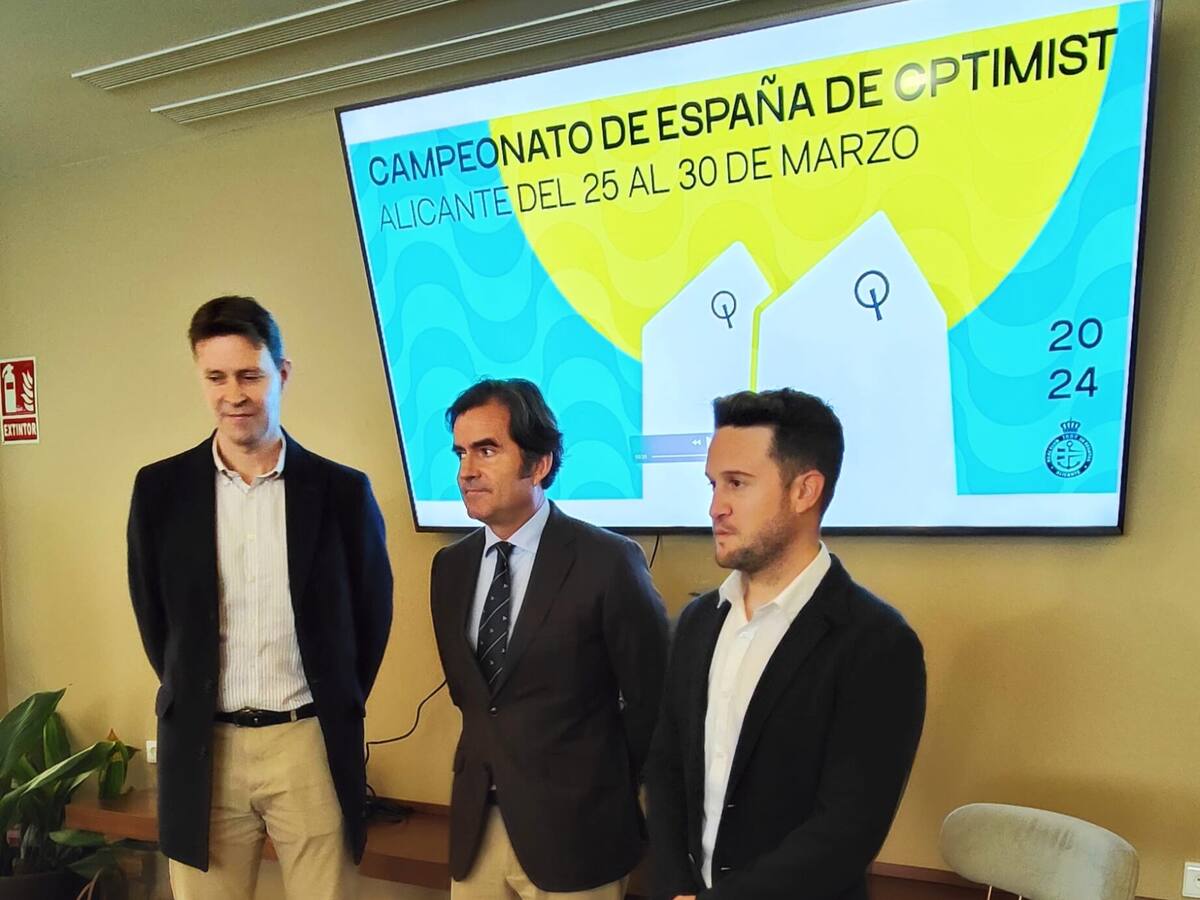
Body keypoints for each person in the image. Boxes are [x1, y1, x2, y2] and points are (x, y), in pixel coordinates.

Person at [127, 296, 393, 899]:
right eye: (216, 377)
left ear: (282, 372)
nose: (234, 395)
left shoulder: (342, 492)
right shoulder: (160, 491)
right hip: (205, 747)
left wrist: (337, 699)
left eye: (249, 375)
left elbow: (371, 617)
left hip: (308, 743)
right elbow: (155, 619)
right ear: (200, 378)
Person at [646, 388, 926, 900]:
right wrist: (670, 887)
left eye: (737, 483)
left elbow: (848, 829)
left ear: (805, 491)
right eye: (713, 484)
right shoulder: (696, 623)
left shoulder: (877, 643)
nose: (715, 507)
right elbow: (665, 769)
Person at [430, 378, 668, 899]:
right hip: (477, 826)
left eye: (486, 450)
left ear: (539, 464)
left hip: (579, 831)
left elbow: (655, 701)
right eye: (461, 453)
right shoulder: (450, 566)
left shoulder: (608, 561)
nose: (466, 471)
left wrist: (598, 781)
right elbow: (474, 699)